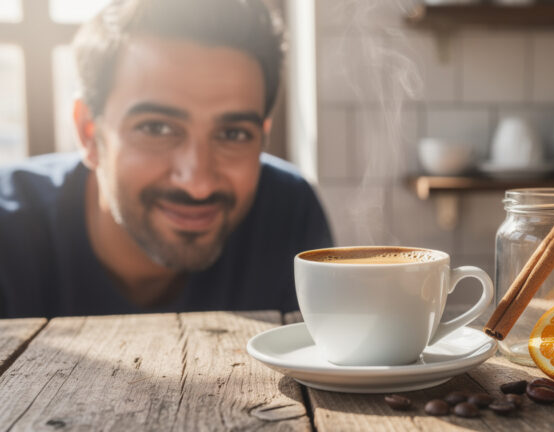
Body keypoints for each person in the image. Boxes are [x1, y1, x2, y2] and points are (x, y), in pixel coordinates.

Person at [0, 0, 333, 318]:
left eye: (233, 134)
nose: (198, 183)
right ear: (89, 133)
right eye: (156, 129)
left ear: (262, 136)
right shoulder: (8, 232)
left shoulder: (290, 213)